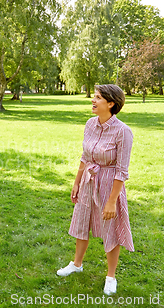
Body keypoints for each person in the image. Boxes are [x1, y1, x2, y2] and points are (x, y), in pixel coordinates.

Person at [56, 84, 134, 296]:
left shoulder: (123, 132)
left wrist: (111, 201)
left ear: (111, 103)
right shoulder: (90, 124)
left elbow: (122, 171)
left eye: (98, 97)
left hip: (110, 184)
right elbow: (85, 156)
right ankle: (77, 264)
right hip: (88, 182)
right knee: (81, 222)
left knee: (111, 230)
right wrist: (76, 182)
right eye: (94, 96)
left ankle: (111, 277)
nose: (93, 100)